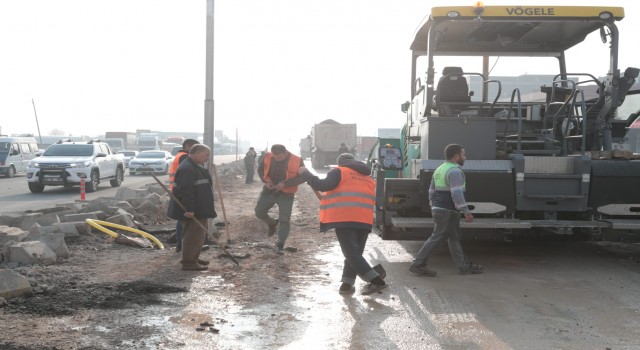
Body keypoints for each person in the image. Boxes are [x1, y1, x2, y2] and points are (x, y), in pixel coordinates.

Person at [299, 153, 387, 295]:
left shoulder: (339, 171)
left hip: (345, 218)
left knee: (351, 253)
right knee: (355, 253)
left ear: (340, 163)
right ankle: (346, 284)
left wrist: (307, 174)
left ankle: (376, 281)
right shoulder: (368, 178)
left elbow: (323, 185)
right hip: (364, 220)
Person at [409, 144, 483, 277]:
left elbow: (431, 191)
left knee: (453, 238)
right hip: (448, 210)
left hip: (441, 209)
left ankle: (464, 266)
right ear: (456, 156)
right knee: (437, 237)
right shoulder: (454, 171)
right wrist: (466, 211)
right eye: (463, 154)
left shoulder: (440, 169)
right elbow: (457, 194)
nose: (465, 157)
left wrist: (433, 206)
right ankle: (418, 264)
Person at [167, 144, 218, 271]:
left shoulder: (196, 166)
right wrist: (189, 209)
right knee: (192, 237)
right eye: (206, 155)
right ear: (196, 153)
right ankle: (188, 262)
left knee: (198, 236)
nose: (208, 158)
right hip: (192, 210)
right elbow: (186, 191)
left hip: (199, 209)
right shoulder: (187, 168)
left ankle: (194, 258)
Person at [255, 144, 306, 255]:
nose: (277, 159)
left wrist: (285, 184)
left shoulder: (297, 160)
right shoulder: (267, 156)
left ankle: (280, 244)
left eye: (280, 157)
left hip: (286, 194)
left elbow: (303, 177)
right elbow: (260, 170)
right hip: (269, 191)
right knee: (259, 212)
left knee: (284, 219)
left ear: (285, 153)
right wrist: (266, 182)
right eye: (275, 157)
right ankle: (272, 223)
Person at [168, 139, 200, 253]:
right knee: (183, 220)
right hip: (181, 192)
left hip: (178, 190)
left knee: (181, 220)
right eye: (194, 147)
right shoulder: (185, 157)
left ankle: (180, 244)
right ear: (187, 146)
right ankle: (181, 244)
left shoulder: (180, 155)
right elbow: (186, 178)